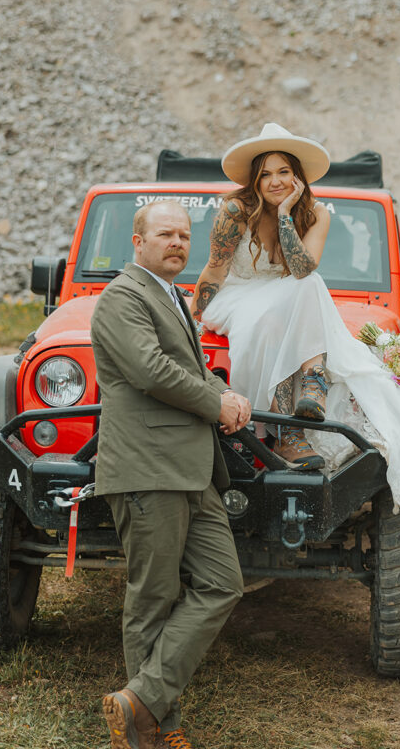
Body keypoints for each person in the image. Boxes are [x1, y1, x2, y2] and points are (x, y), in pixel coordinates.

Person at [190, 122, 400, 509]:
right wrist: (187, 321)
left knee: (308, 285)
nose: (274, 181)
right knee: (272, 315)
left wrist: (286, 214)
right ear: (254, 179)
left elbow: (303, 269)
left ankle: (296, 413)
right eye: (265, 174)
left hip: (286, 294)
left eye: (283, 171)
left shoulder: (316, 214)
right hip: (236, 293)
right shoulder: (236, 210)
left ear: (298, 177)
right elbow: (216, 269)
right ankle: (297, 408)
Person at [91, 200, 251, 749]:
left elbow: (187, 371)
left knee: (223, 584)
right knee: (153, 599)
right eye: (164, 234)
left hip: (192, 470)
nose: (177, 243)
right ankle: (157, 729)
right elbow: (150, 370)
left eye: (184, 235)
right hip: (146, 467)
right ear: (138, 242)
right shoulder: (121, 297)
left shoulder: (175, 298)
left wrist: (222, 398)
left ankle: (140, 701)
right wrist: (217, 401)